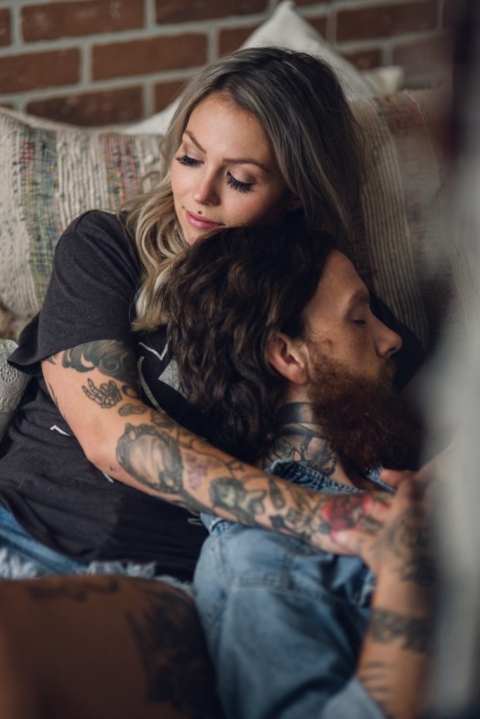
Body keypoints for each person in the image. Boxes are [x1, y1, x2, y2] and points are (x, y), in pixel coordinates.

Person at [0, 48, 423, 716]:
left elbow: (433, 424)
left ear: (296, 192)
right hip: (11, 519)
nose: (198, 193)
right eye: (191, 157)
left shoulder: (331, 301)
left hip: (142, 579)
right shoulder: (107, 248)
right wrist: (322, 518)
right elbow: (109, 432)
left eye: (242, 178)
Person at [160, 224, 433, 719]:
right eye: (358, 319)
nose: (392, 338)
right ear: (288, 354)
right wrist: (403, 579)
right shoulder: (255, 561)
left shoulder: (406, 470)